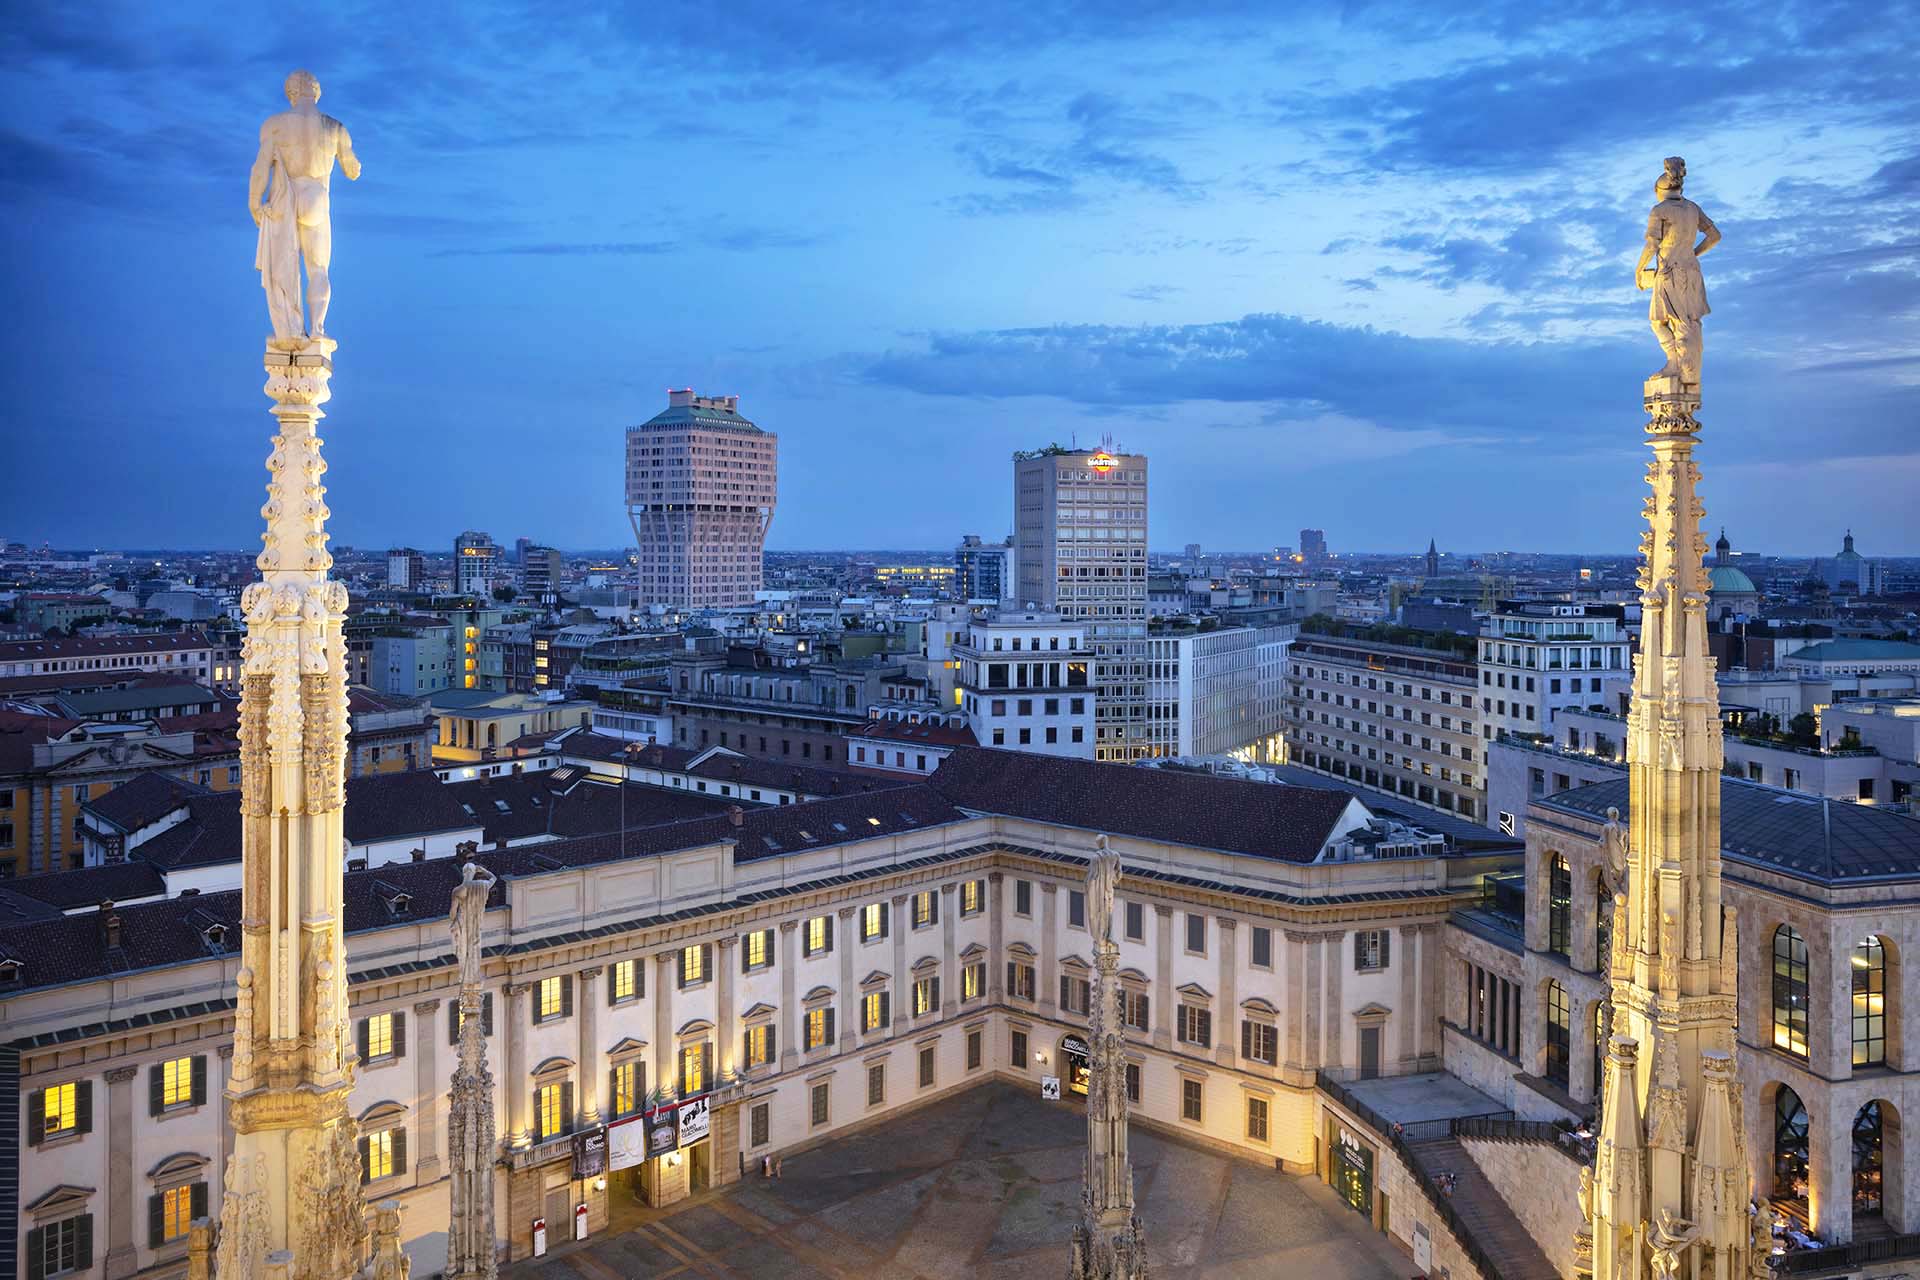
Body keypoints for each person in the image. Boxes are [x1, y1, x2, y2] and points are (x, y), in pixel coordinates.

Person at [250, 69, 362, 343]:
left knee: (285, 269)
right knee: (318, 269)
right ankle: (319, 330)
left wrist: (254, 201)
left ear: (290, 94)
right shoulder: (334, 128)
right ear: (317, 91)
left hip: (285, 200)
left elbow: (260, 169)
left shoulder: (274, 125)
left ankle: (290, 329)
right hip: (316, 196)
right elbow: (352, 170)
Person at [1635, 157, 1720, 388]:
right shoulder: (1692, 208)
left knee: (1658, 321)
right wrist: (1692, 253)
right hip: (1692, 271)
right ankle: (1687, 372)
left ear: (1659, 191)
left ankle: (1674, 362)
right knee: (1688, 323)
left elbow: (1652, 245)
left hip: (1668, 272)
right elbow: (1714, 236)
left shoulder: (1659, 210)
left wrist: (1639, 269)